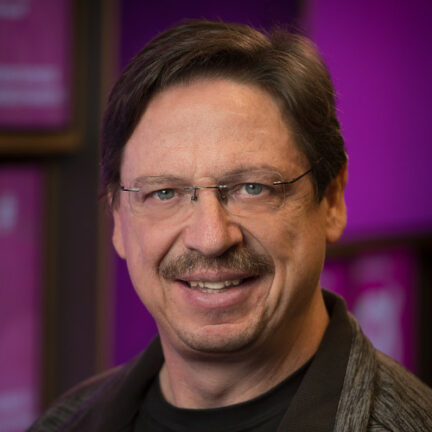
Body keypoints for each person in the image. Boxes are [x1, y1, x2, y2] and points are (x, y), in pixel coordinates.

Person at [29, 19, 432, 431]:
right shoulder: (61, 424)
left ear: (331, 201)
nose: (210, 238)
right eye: (165, 193)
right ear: (118, 218)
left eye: (252, 188)